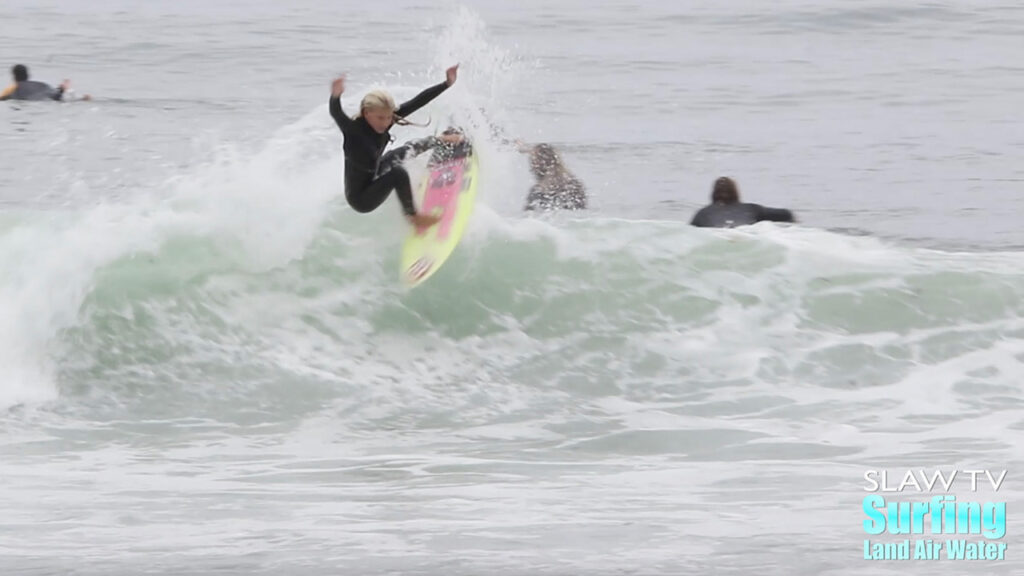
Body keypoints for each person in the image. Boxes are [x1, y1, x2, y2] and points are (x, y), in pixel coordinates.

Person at [329, 64, 459, 228]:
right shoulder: (353, 131)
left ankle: (441, 140)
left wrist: (447, 83)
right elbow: (336, 113)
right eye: (380, 118)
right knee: (398, 173)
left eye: (389, 117)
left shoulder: (386, 120)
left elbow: (416, 102)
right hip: (361, 198)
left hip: (374, 173)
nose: (386, 123)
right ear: (366, 113)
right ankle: (415, 218)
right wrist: (335, 96)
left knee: (406, 149)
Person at [689, 177, 795, 228]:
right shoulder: (752, 210)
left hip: (718, 234)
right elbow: (786, 214)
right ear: (736, 192)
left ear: (713, 194)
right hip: (745, 234)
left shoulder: (702, 214)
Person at [517, 141, 587, 211]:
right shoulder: (573, 183)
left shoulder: (538, 190)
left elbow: (527, 215)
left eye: (532, 162)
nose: (531, 167)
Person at [0, 64, 90, 102]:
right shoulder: (41, 84)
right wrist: (60, 90)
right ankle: (63, 90)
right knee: (58, 98)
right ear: (28, 75)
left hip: (34, 101)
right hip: (48, 96)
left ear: (14, 76)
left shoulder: (13, 87)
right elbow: (53, 92)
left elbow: (2, 98)